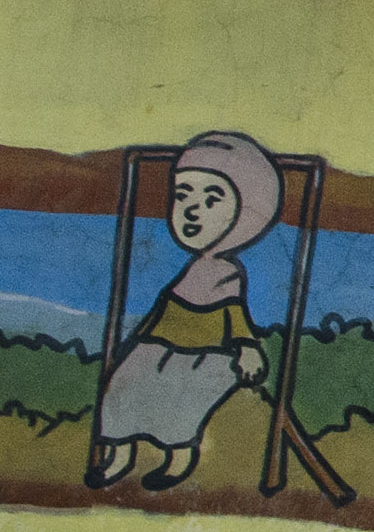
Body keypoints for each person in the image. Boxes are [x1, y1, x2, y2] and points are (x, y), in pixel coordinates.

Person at [94, 130, 284, 491]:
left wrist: (246, 346)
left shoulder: (227, 271)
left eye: (213, 199)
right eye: (183, 195)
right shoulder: (196, 266)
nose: (193, 209)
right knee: (122, 387)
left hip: (204, 354)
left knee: (183, 402)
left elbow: (233, 313)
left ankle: (178, 459)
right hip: (158, 343)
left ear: (245, 214)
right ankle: (118, 456)